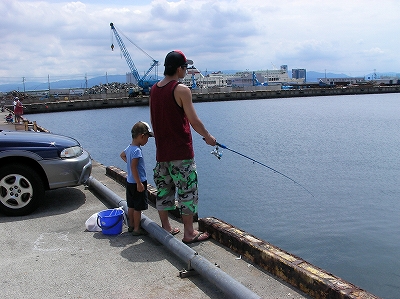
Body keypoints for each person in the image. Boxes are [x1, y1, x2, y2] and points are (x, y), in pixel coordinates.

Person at [149, 50, 216, 244]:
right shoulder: (181, 90)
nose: (186, 71)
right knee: (188, 192)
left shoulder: (154, 89)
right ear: (179, 68)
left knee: (164, 190)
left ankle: (166, 228)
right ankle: (189, 233)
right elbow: (194, 121)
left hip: (162, 153)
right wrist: (209, 137)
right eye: (186, 67)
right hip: (181, 153)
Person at [120, 121, 153, 236]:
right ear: (142, 136)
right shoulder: (137, 151)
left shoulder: (129, 148)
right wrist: (139, 183)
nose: (147, 141)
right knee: (138, 208)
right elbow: (134, 167)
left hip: (129, 182)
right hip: (138, 182)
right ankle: (137, 229)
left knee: (131, 206)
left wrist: (128, 163)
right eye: (147, 138)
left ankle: (131, 225)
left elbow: (122, 155)